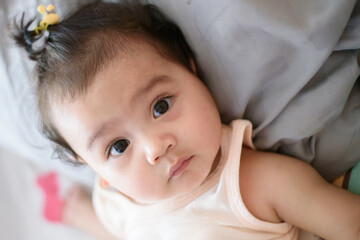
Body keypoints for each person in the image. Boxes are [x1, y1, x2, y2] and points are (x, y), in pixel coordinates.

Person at [13, 1, 360, 239]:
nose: (155, 147)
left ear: (191, 69)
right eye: (118, 146)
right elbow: (119, 231)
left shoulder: (253, 183)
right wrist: (76, 211)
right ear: (89, 165)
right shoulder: (117, 197)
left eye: (161, 106)